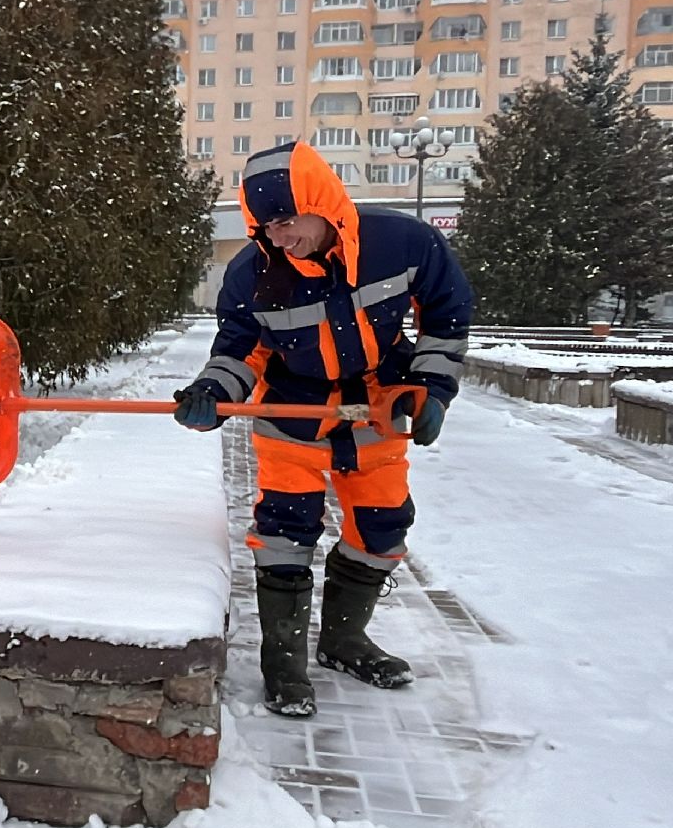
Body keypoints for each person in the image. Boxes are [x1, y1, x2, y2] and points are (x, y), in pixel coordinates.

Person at [175, 141, 471, 719]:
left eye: (286, 222)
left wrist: (433, 390)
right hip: (292, 411)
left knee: (383, 526)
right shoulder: (252, 273)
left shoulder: (404, 244)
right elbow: (240, 349)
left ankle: (343, 641)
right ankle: (282, 663)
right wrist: (214, 392)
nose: (278, 239)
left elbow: (446, 311)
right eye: (265, 227)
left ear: (322, 203)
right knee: (286, 529)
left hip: (377, 405)